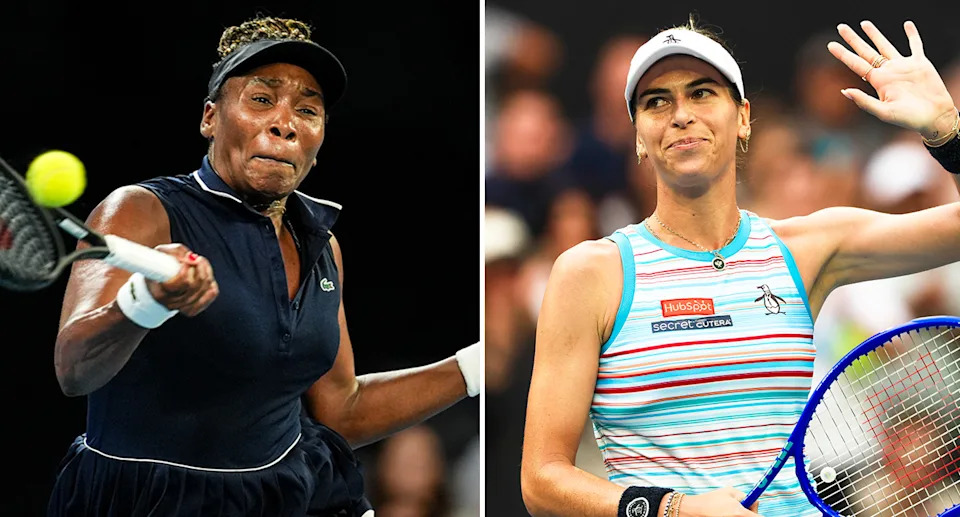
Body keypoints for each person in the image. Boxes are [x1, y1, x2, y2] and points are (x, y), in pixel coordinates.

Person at [520, 16, 960, 517]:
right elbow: (541, 480)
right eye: (656, 101)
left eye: (701, 93)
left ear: (744, 117)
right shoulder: (591, 273)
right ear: (638, 136)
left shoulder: (808, 248)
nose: (680, 115)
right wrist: (676, 510)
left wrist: (948, 131)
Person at [48, 16, 481, 517]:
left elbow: (341, 411)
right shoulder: (140, 210)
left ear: (319, 140)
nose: (285, 122)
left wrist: (475, 365)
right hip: (145, 501)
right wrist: (145, 302)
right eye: (261, 99)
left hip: (280, 495)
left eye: (307, 110)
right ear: (210, 118)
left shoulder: (322, 245)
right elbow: (73, 369)